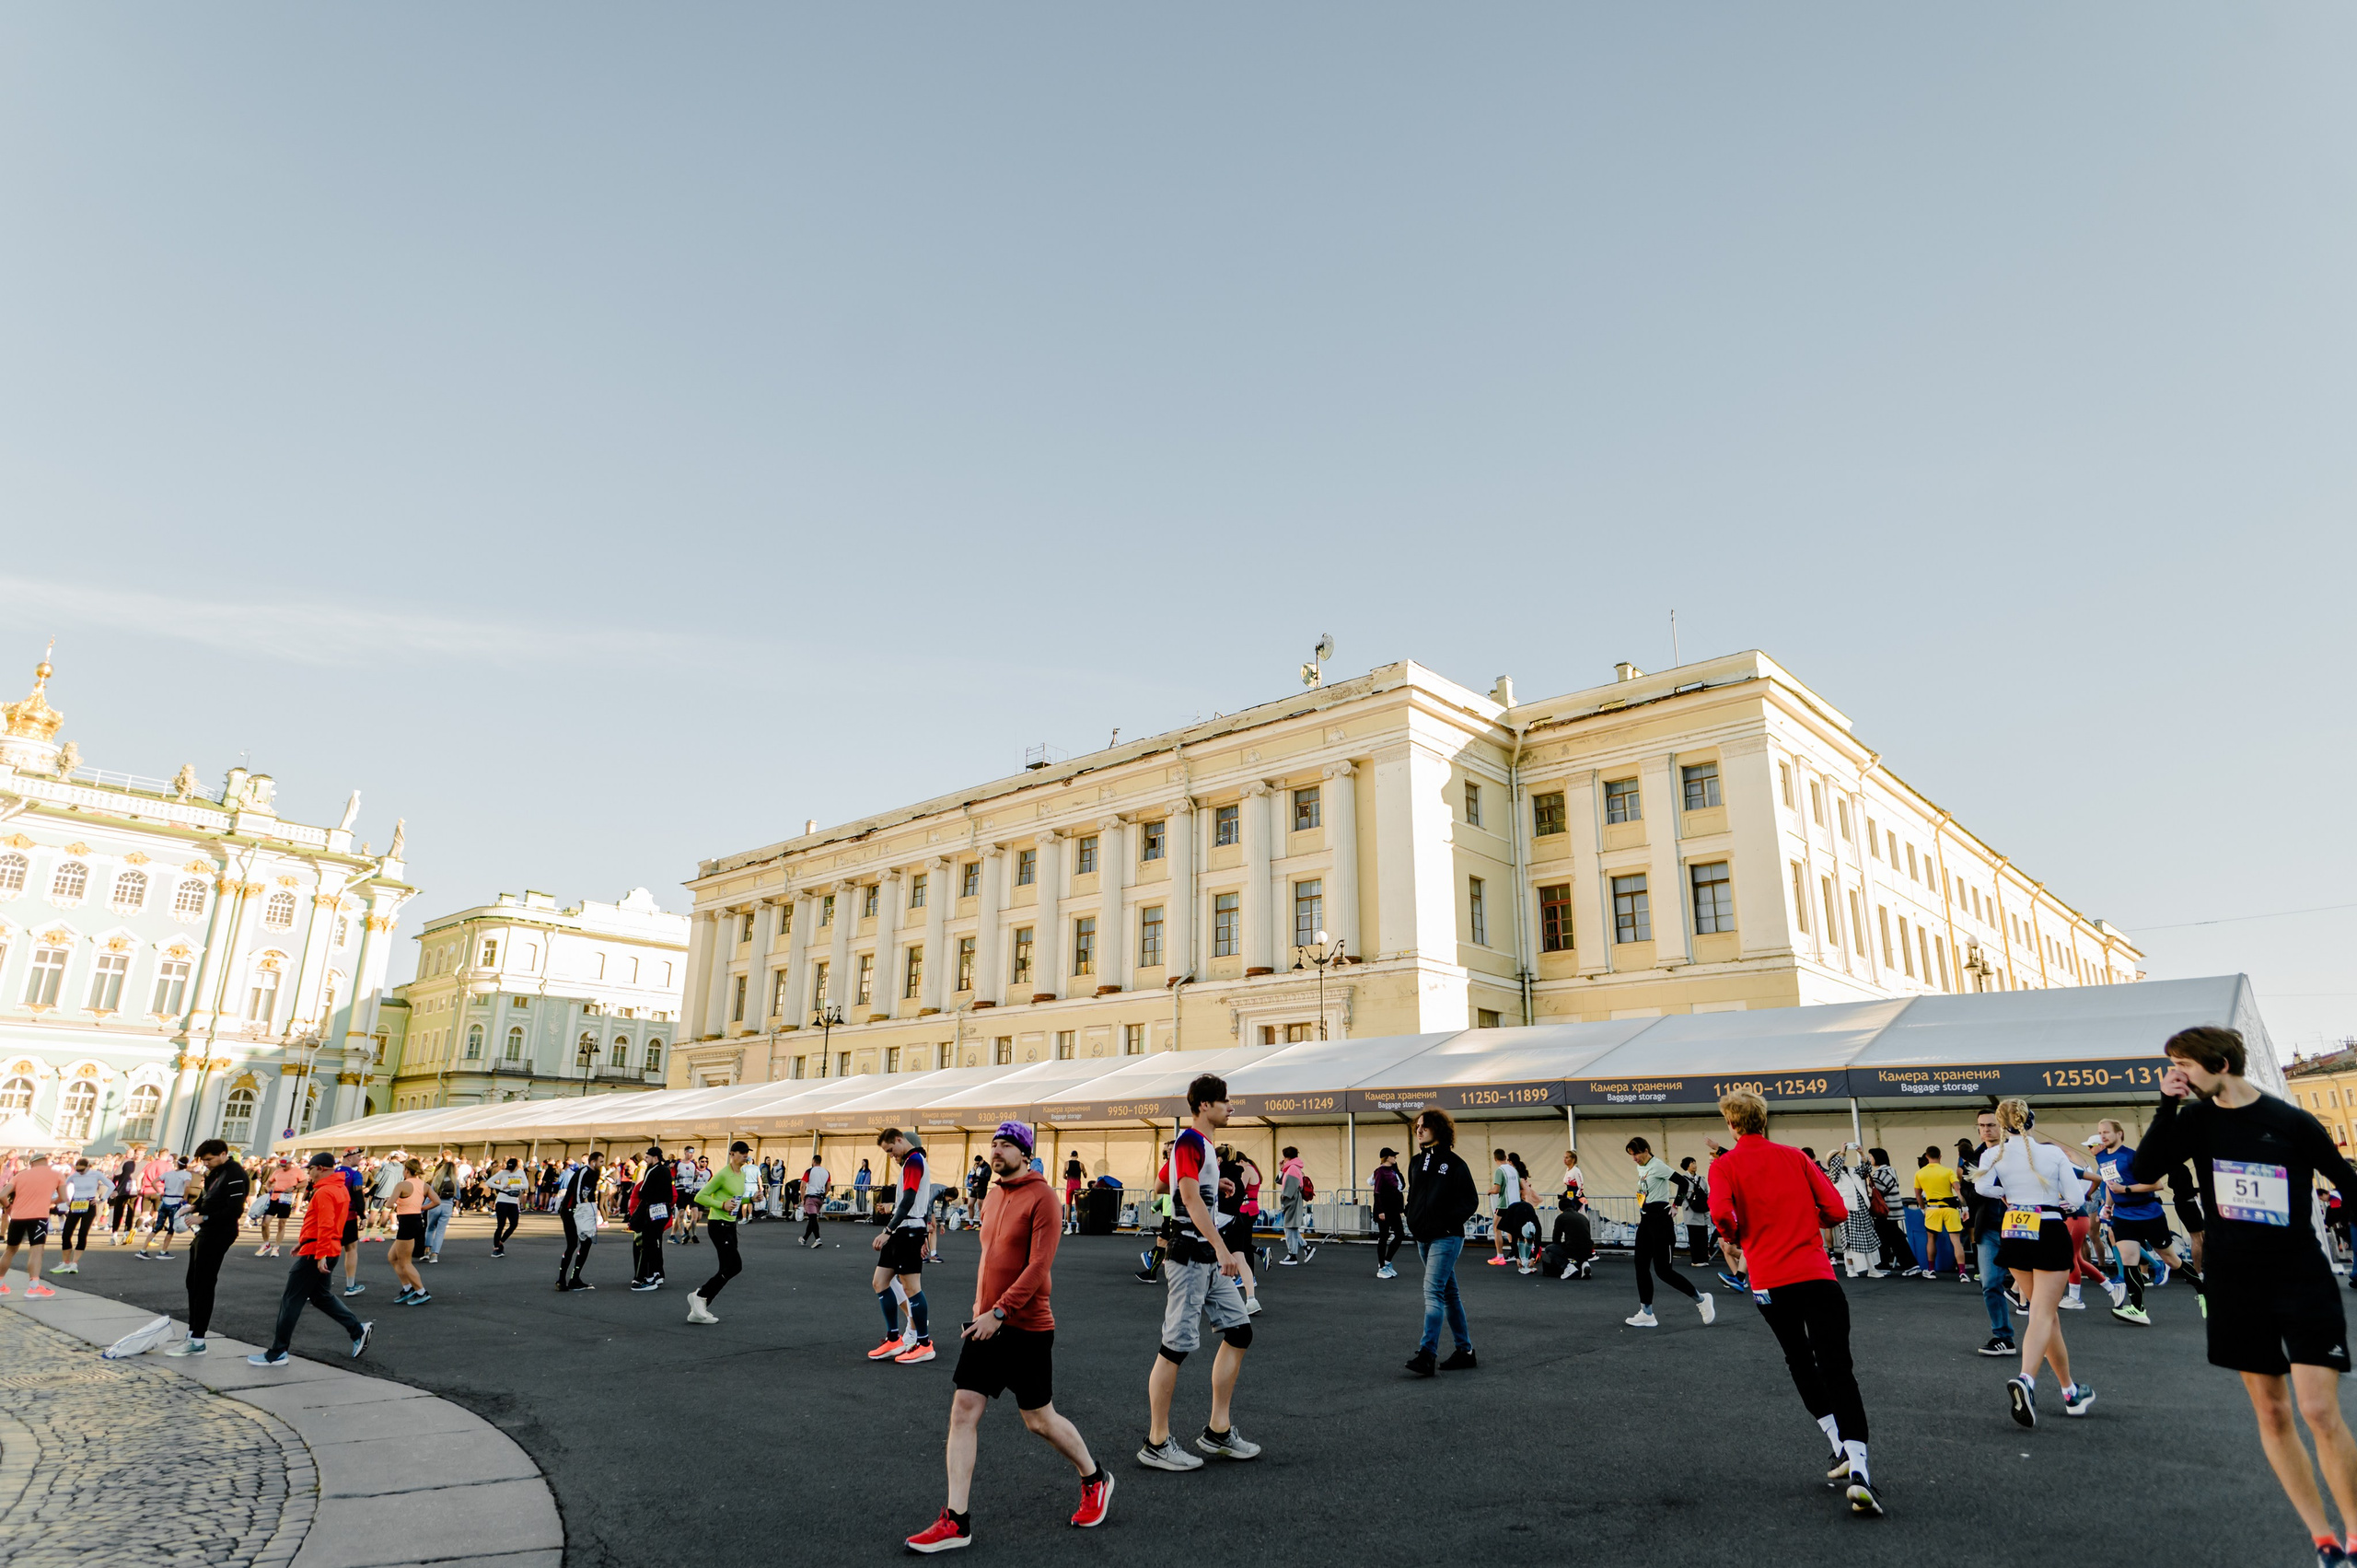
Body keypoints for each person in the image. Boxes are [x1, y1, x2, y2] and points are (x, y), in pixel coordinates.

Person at [2133, 1026, 2357, 1568]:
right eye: (2172, 1066)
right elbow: (2143, 1172)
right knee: (2274, 1412)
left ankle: (2356, 1534)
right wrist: (2167, 1105)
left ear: (2220, 1062)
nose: (2177, 1073)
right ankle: (2322, 1538)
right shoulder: (2194, 1122)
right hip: (2235, 1283)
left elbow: (2345, 1180)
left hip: (2300, 1276)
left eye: (2184, 1063)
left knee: (2318, 1410)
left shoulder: (2289, 1121)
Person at [903, 1122, 1110, 1552]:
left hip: (1026, 1326)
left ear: (1025, 1152)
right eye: (994, 1144)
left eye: (1006, 1145)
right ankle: (956, 1520)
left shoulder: (1045, 1199)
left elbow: (1038, 1267)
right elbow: (990, 1258)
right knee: (963, 1411)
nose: (997, 1150)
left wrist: (1001, 1311)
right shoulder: (994, 1194)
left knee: (1039, 1420)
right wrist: (981, 1310)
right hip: (986, 1323)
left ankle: (1095, 1478)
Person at [1707, 1089, 1883, 1516]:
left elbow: (1723, 1217)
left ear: (1731, 1125)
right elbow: (1837, 1210)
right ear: (1765, 1120)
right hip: (1815, 1274)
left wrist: (1737, 1235)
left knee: (1799, 1360)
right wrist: (1809, 1218)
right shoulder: (1796, 1158)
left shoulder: (1724, 1166)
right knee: (1837, 1365)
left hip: (1770, 1281)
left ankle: (1836, 1443)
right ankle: (1858, 1464)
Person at [1139, 1074, 1260, 1469]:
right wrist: (1223, 1247)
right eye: (1225, 1101)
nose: (1231, 1107)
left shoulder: (1201, 1147)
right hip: (1192, 1255)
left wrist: (1214, 1180)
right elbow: (1187, 1198)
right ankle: (1157, 1442)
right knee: (1174, 1347)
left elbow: (1163, 1186)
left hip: (1205, 1256)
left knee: (1240, 1331)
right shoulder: (1191, 1140)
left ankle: (1218, 1431)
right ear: (1205, 1106)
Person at [1974, 1098, 2094, 1428]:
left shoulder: (1992, 1154)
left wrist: (2007, 1193)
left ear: (2000, 1124)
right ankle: (2026, 1379)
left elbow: (1981, 1186)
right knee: (2042, 1312)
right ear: (2030, 1120)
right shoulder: (2052, 1153)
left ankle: (2070, 1391)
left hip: (2014, 1227)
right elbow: (2077, 1196)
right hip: (2048, 1225)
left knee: (2046, 1316)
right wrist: (2058, 1199)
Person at [247, 1152, 372, 1367]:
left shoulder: (325, 1191)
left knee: (291, 1300)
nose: (309, 1175)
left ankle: (277, 1352)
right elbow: (329, 1224)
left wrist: (318, 1252)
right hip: (325, 1248)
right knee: (321, 1296)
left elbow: (326, 1224)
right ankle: (357, 1330)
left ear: (321, 1168)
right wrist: (307, 1242)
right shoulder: (339, 1187)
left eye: (311, 1170)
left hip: (319, 1251)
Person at [2091, 1117, 2198, 1327]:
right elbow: (2112, 1186)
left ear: (2119, 1134)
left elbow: (2156, 1185)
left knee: (2171, 1260)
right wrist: (2108, 1206)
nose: (2102, 1136)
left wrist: (2126, 1190)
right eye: (2100, 1132)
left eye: (2106, 1132)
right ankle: (2138, 1309)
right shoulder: (2102, 1158)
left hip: (2148, 1212)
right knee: (2128, 1258)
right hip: (2123, 1215)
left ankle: (2204, 1290)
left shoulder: (2133, 1157)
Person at [1403, 1107, 1480, 1376]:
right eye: (1417, 1127)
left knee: (1433, 1292)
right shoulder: (1415, 1162)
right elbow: (1414, 1196)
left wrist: (1445, 1221)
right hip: (1423, 1237)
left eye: (1424, 1126)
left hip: (1447, 1237)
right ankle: (1465, 1351)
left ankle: (1427, 1354)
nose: (1419, 1130)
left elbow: (1470, 1200)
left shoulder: (1455, 1163)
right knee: (1449, 1294)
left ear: (1438, 1128)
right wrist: (1410, 1216)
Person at [164, 1140, 250, 1356]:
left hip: (220, 1232)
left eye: (209, 1159)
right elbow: (207, 1197)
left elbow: (234, 1210)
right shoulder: (215, 1172)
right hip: (206, 1231)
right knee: (192, 1282)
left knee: (203, 1284)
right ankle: (193, 1333)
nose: (206, 1164)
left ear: (223, 1154)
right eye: (204, 1161)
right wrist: (192, 1207)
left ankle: (197, 1339)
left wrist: (203, 1217)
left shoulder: (235, 1173)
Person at [869, 1129, 943, 1363]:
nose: (891, 1155)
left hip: (906, 1232)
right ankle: (894, 1340)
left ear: (900, 1140)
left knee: (911, 1287)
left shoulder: (914, 1161)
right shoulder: (910, 1163)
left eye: (891, 1150)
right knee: (880, 1282)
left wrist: (888, 1230)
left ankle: (924, 1343)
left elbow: (910, 1200)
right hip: (905, 1230)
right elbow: (912, 1201)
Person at [1626, 1135, 1713, 1329]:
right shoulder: (1641, 1167)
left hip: (1661, 1221)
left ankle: (1702, 1300)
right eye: (1632, 1155)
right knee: (1640, 1265)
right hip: (1646, 1219)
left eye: (1636, 1154)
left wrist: (1676, 1205)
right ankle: (1647, 1312)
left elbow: (1683, 1184)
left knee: (1663, 1271)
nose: (1634, 1158)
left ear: (1646, 1150)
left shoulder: (1658, 1165)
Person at [686, 1141, 753, 1324]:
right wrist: (721, 1205)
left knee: (727, 1268)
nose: (745, 1155)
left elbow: (735, 1199)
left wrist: (751, 1198)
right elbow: (700, 1197)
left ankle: (699, 1309)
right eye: (741, 1152)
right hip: (718, 1225)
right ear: (732, 1154)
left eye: (747, 1152)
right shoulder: (723, 1174)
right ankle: (699, 1296)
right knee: (734, 1266)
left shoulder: (742, 1174)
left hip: (731, 1225)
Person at [0, 1151, 64, 1298]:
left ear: (32, 1163)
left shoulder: (20, 1175)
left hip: (18, 1216)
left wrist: (9, 1207)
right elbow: (65, 1197)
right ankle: (34, 1287)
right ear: (46, 1162)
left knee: (10, 1250)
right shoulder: (56, 1174)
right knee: (36, 1250)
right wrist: (52, 1202)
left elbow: (2, 1195)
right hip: (39, 1216)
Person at [388, 1157, 436, 1307]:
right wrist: (421, 1208)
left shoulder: (402, 1184)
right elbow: (437, 1201)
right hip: (416, 1220)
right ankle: (408, 1288)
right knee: (392, 1257)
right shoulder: (424, 1185)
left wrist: (388, 1202)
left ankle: (421, 1291)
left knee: (405, 1261)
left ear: (407, 1170)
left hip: (407, 1222)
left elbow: (390, 1203)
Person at [630, 1144, 676, 1292]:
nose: (645, 1160)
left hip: (652, 1210)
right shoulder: (666, 1171)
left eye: (647, 1157)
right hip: (664, 1209)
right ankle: (657, 1273)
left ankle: (645, 1277)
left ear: (655, 1158)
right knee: (655, 1243)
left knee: (647, 1243)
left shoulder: (652, 1170)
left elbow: (642, 1192)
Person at [555, 1152, 603, 1291]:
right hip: (571, 1211)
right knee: (572, 1244)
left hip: (583, 1211)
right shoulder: (584, 1172)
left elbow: (590, 1194)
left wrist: (595, 1210)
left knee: (586, 1243)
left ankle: (575, 1278)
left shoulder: (594, 1174)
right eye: (601, 1161)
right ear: (593, 1162)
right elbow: (577, 1193)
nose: (602, 1164)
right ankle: (561, 1279)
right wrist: (582, 1210)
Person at [55, 1157, 103, 1274]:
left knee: (82, 1233)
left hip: (89, 1204)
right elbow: (63, 1186)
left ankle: (75, 1263)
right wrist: (66, 1198)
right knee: (66, 1233)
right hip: (76, 1204)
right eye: (78, 1170)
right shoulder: (74, 1175)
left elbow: (111, 1185)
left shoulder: (96, 1174)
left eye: (82, 1170)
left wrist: (101, 1199)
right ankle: (65, 1262)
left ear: (88, 1167)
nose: (80, 1172)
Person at [1369, 1147, 1406, 1279]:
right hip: (1384, 1209)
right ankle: (1381, 1266)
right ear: (1387, 1157)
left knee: (1400, 1234)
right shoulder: (1380, 1172)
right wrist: (1380, 1211)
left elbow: (1402, 1185)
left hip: (1394, 1209)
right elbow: (1377, 1192)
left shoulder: (1393, 1171)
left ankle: (1387, 1261)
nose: (1395, 1157)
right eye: (1393, 1156)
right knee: (1384, 1236)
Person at [1276, 1146, 1308, 1266]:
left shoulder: (1292, 1168)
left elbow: (1289, 1186)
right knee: (1291, 1227)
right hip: (1294, 1199)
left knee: (1289, 1227)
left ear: (1286, 1157)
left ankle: (1292, 1254)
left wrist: (1284, 1196)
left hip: (1292, 1200)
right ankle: (1305, 1247)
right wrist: (1281, 1169)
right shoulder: (1292, 1168)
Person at [488, 1157, 528, 1255]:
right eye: (508, 1168)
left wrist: (514, 1186)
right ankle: (496, 1248)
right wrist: (501, 1187)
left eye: (512, 1168)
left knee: (514, 1224)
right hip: (502, 1200)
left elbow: (526, 1185)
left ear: (517, 1166)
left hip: (513, 1201)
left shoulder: (520, 1173)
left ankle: (501, 1241)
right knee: (501, 1225)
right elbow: (489, 1182)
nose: (510, 1170)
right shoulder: (503, 1173)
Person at [1678, 1156, 1713, 1265]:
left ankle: (1704, 1259)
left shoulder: (1701, 1179)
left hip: (1702, 1210)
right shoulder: (1683, 1179)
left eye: (1695, 1163)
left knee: (1703, 1235)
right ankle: (1696, 1260)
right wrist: (1686, 1206)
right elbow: (1681, 1194)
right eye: (1692, 1163)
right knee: (1694, 1236)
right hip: (1691, 1211)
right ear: (1687, 1166)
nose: (1694, 1165)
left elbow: (1706, 1192)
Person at [1485, 1148, 1516, 1265]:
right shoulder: (1513, 1169)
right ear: (1505, 1157)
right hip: (1515, 1202)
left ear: (1495, 1158)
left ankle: (1500, 1256)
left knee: (1496, 1227)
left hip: (1504, 1204)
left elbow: (1497, 1189)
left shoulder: (1500, 1171)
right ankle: (1516, 1254)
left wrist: (1490, 1191)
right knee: (1513, 1229)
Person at [802, 1156, 830, 1248]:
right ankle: (804, 1238)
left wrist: (802, 1198)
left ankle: (817, 1239)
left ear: (813, 1161)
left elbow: (803, 1186)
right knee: (812, 1218)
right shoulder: (826, 1172)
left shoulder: (809, 1171)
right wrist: (824, 1194)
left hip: (811, 1197)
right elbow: (828, 1187)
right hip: (820, 1198)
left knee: (812, 1218)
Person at [1063, 1152, 1086, 1234]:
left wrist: (1069, 1178)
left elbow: (1063, 1176)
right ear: (1077, 1156)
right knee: (1078, 1208)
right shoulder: (1081, 1164)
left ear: (1071, 1156)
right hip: (1077, 1188)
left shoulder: (1066, 1163)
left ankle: (1069, 1228)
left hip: (1069, 1187)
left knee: (1068, 1207)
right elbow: (1085, 1175)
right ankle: (1078, 1227)